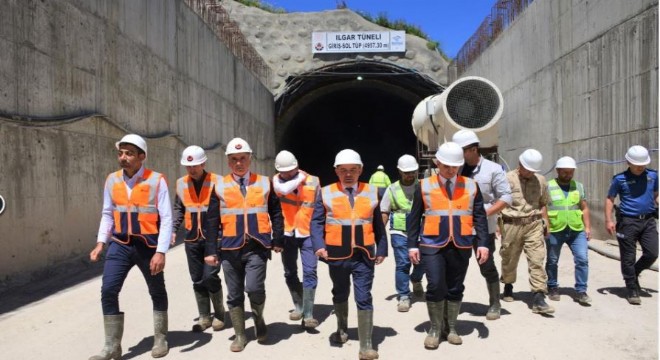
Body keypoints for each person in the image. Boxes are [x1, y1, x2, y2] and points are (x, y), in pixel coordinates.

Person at [89, 134, 172, 359]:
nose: (123, 157)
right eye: (121, 153)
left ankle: (160, 337)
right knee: (108, 290)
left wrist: (161, 252)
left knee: (156, 291)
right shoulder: (112, 180)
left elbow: (166, 218)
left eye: (129, 153)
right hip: (120, 244)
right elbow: (107, 213)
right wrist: (100, 243)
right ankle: (112, 346)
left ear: (141, 156)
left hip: (148, 245)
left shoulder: (156, 180)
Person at [204, 137, 284, 352]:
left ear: (250, 158)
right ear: (228, 162)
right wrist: (211, 250)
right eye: (234, 159)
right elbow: (211, 221)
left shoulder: (264, 182)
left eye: (242, 158)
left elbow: (276, 212)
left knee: (255, 288)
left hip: (257, 245)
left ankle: (259, 320)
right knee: (234, 293)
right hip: (229, 248)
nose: (239, 163)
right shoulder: (219, 186)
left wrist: (278, 239)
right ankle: (240, 334)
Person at [407, 142, 489, 348]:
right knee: (435, 284)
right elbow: (414, 217)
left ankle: (450, 327)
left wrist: (483, 243)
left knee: (455, 286)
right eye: (446, 166)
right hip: (432, 243)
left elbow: (479, 216)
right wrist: (412, 245)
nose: (451, 170)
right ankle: (435, 329)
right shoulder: (424, 185)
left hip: (460, 242)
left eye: (455, 166)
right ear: (437, 163)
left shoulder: (471, 185)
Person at [311, 149, 388, 360]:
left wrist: (382, 248)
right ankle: (342, 329)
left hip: (364, 254)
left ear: (361, 170)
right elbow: (316, 222)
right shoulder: (325, 192)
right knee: (340, 292)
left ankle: (366, 345)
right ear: (336, 171)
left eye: (353, 170)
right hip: (336, 254)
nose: (348, 174)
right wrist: (319, 245)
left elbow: (378, 225)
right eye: (343, 170)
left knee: (364, 296)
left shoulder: (373, 191)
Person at [452, 130, 512, 320]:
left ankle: (495, 303)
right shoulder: (456, 169)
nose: (458, 155)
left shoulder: (493, 169)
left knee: (486, 264)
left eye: (461, 150)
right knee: (456, 265)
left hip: (482, 227)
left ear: (473, 149)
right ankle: (453, 302)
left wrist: (482, 213)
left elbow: (506, 197)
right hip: (459, 226)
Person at [172, 146, 225, 332]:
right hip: (192, 238)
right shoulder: (180, 183)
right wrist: (173, 229)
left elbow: (226, 209)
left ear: (203, 163)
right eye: (188, 166)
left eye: (195, 165)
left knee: (210, 275)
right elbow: (179, 208)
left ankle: (219, 313)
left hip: (214, 238)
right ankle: (204, 316)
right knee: (197, 279)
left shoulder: (218, 182)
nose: (191, 169)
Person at [499, 149, 554, 315]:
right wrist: (496, 225)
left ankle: (539, 296)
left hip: (534, 224)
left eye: (533, 170)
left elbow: (543, 203)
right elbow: (498, 202)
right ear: (520, 164)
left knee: (537, 259)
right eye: (527, 169)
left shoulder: (541, 180)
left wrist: (547, 224)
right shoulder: (506, 179)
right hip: (511, 225)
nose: (530, 173)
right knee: (509, 258)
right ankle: (508, 284)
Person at [272, 150, 321, 328]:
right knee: (290, 272)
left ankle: (308, 314)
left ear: (297, 166)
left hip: (307, 233)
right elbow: (273, 211)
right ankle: (298, 306)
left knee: (310, 271)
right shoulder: (274, 184)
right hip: (287, 234)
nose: (287, 174)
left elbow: (320, 209)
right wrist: (275, 238)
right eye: (283, 172)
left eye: (291, 170)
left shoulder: (313, 181)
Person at [605, 145, 658, 305]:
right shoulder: (619, 179)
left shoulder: (653, 176)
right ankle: (631, 287)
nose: (641, 166)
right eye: (637, 164)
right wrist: (608, 220)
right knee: (628, 257)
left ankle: (633, 273)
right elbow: (610, 199)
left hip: (648, 220)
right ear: (628, 161)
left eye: (643, 163)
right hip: (628, 221)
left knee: (652, 253)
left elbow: (656, 194)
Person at [380, 154, 425, 312]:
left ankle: (416, 279)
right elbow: (384, 211)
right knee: (403, 263)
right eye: (406, 172)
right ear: (400, 172)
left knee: (423, 262)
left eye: (412, 172)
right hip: (399, 231)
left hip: (421, 230)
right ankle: (404, 296)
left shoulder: (423, 186)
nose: (410, 175)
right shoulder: (391, 189)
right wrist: (379, 235)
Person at [545, 156, 592, 305]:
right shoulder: (548, 186)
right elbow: (543, 208)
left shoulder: (578, 186)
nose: (568, 175)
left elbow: (584, 207)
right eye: (565, 172)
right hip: (555, 228)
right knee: (552, 260)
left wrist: (588, 227)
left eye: (570, 172)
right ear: (558, 171)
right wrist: (545, 225)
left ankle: (581, 291)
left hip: (576, 229)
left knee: (582, 259)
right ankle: (552, 286)